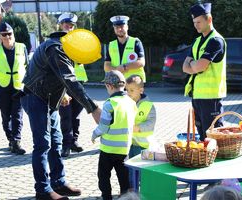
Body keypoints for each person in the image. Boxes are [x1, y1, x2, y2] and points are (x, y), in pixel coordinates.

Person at [20, 30, 101, 199]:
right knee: (42, 145)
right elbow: (70, 79)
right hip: (35, 99)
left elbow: (54, 74)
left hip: (48, 100)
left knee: (56, 142)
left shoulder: (62, 47)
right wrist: (92, 108)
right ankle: (43, 190)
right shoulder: (56, 49)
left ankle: (59, 183)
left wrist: (62, 94)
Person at [182, 3, 226, 141]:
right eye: (194, 22)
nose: (196, 25)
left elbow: (200, 66)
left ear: (209, 19)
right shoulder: (196, 41)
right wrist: (194, 65)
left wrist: (194, 65)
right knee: (201, 136)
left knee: (214, 137)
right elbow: (185, 67)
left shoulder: (216, 41)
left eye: (199, 22)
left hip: (211, 97)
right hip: (197, 95)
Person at [92, 70, 137, 200]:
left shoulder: (109, 104)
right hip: (123, 149)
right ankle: (126, 197)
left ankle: (106, 197)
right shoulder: (131, 102)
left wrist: (94, 134)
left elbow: (103, 127)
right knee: (123, 178)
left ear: (109, 86)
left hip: (108, 149)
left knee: (104, 176)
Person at [0, 21, 28, 155]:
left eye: (9, 34)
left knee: (17, 115)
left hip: (18, 86)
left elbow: (27, 67)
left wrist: (26, 85)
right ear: (0, 36)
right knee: (6, 116)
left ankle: (16, 141)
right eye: (4, 34)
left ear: (13, 34)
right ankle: (10, 139)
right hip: (3, 87)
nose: (7, 37)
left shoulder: (21, 47)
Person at [57, 13, 89, 157]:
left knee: (76, 115)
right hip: (63, 84)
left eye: (71, 26)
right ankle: (66, 145)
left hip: (79, 82)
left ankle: (74, 141)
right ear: (60, 25)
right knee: (65, 115)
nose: (69, 28)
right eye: (66, 25)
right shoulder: (56, 42)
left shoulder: (78, 42)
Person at [125, 75, 156, 188]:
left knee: (141, 170)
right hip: (130, 144)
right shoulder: (127, 102)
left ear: (141, 90)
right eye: (127, 90)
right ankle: (132, 190)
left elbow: (151, 123)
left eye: (132, 90)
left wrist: (138, 127)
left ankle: (143, 191)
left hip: (143, 145)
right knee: (130, 169)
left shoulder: (148, 105)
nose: (128, 93)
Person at [104, 15, 146, 82]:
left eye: (121, 26)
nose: (119, 29)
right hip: (117, 83)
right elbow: (106, 66)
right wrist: (117, 69)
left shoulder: (136, 42)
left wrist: (124, 67)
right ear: (114, 29)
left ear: (127, 27)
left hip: (134, 83)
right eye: (116, 27)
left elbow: (141, 62)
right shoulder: (111, 45)